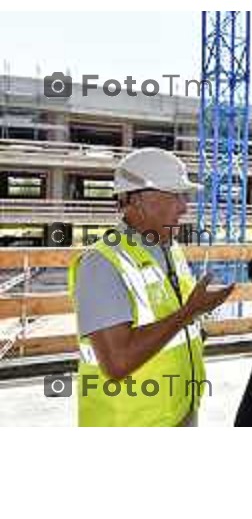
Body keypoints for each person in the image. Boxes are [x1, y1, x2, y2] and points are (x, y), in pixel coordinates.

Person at [69, 148, 234, 427]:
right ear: (138, 200)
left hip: (179, 410)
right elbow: (117, 362)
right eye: (175, 196)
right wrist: (190, 312)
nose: (184, 207)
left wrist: (196, 321)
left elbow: (167, 319)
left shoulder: (168, 247)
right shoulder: (102, 263)